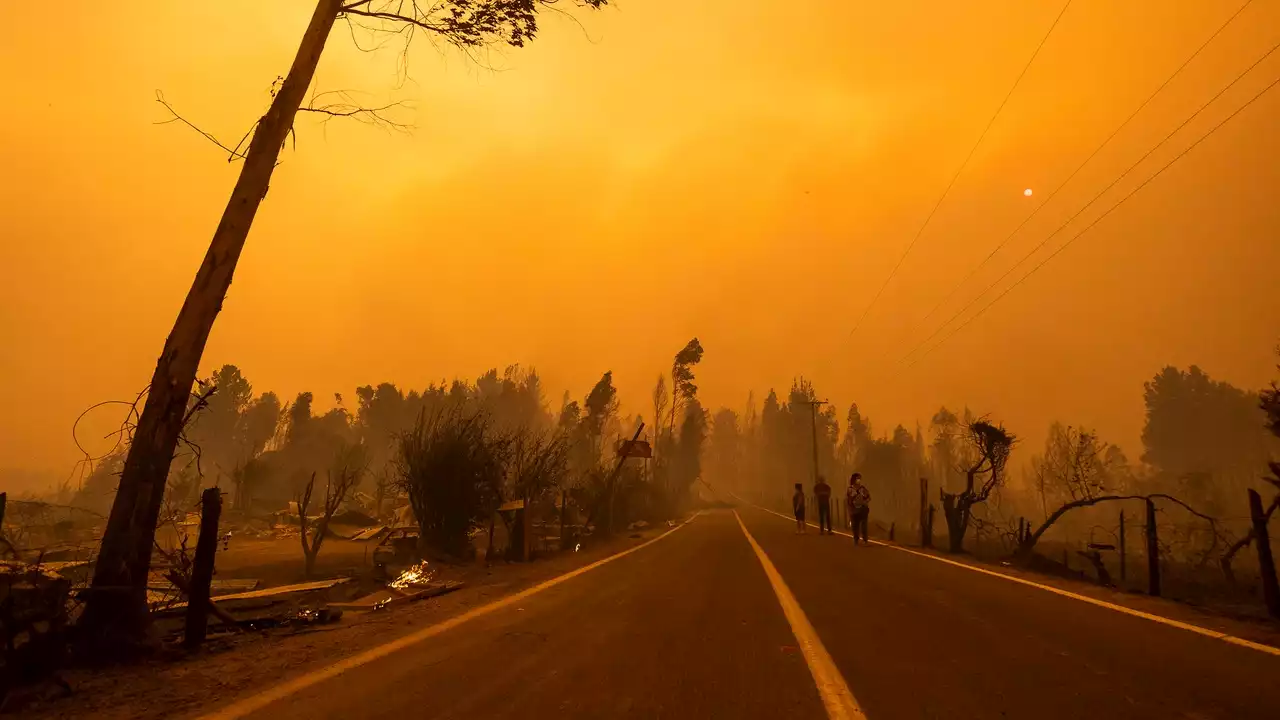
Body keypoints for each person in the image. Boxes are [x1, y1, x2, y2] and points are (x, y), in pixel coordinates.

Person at [847, 472, 871, 544]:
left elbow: (869, 497)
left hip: (862, 509)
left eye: (859, 479)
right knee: (855, 525)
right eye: (857, 479)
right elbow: (848, 500)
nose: (859, 480)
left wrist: (864, 502)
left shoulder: (862, 489)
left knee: (864, 525)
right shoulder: (850, 489)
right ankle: (856, 539)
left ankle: (865, 539)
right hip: (854, 510)